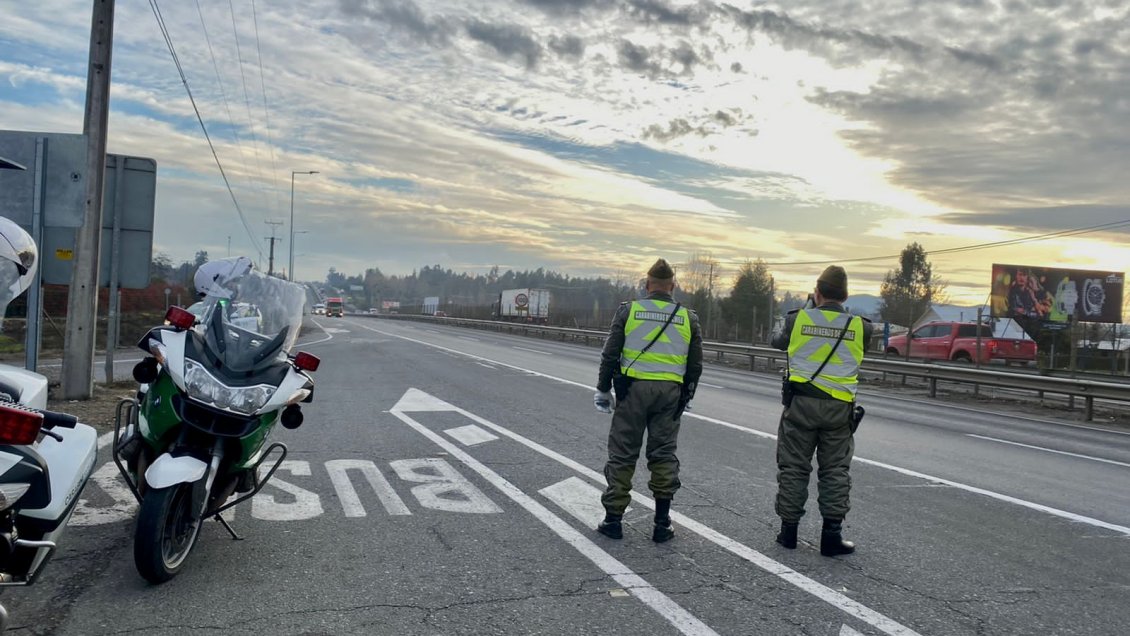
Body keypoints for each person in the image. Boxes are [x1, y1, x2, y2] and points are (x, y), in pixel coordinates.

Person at [593, 258, 703, 542]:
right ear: (673, 287)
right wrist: (687, 395)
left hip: (632, 391)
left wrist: (604, 390)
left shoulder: (630, 311)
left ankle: (613, 521)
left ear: (646, 284)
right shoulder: (687, 317)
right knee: (663, 454)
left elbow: (610, 354)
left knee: (623, 453)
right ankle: (662, 524)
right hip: (670, 393)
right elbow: (695, 365)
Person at [771, 265, 872, 556]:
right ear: (846, 295)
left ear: (817, 292)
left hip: (800, 405)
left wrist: (805, 310)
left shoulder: (797, 320)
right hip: (839, 411)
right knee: (835, 470)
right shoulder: (861, 326)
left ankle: (788, 533)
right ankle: (831, 537)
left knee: (794, 467)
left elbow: (776, 341)